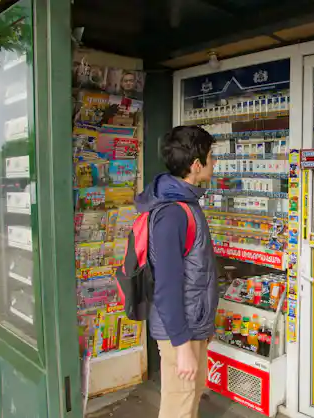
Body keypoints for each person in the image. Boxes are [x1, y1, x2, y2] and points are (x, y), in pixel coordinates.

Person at [135, 125, 218, 418]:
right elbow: (167, 285)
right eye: (211, 157)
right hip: (179, 331)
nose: (214, 163)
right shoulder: (173, 213)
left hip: (191, 325)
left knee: (190, 400)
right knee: (178, 408)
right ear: (196, 165)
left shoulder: (185, 203)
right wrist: (182, 345)